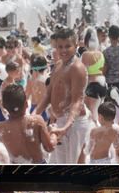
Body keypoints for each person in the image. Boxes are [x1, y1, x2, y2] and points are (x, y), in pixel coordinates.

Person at [34, 28, 92, 164]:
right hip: (60, 120)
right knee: (58, 162)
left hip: (75, 122)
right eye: (60, 47)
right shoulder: (59, 65)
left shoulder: (77, 68)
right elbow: (48, 94)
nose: (63, 50)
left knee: (72, 164)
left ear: (76, 45)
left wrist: (66, 126)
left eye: (67, 46)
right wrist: (34, 115)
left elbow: (77, 100)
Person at [0, 84, 56, 163]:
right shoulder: (36, 121)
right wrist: (53, 133)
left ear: (4, 107)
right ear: (26, 104)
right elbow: (49, 148)